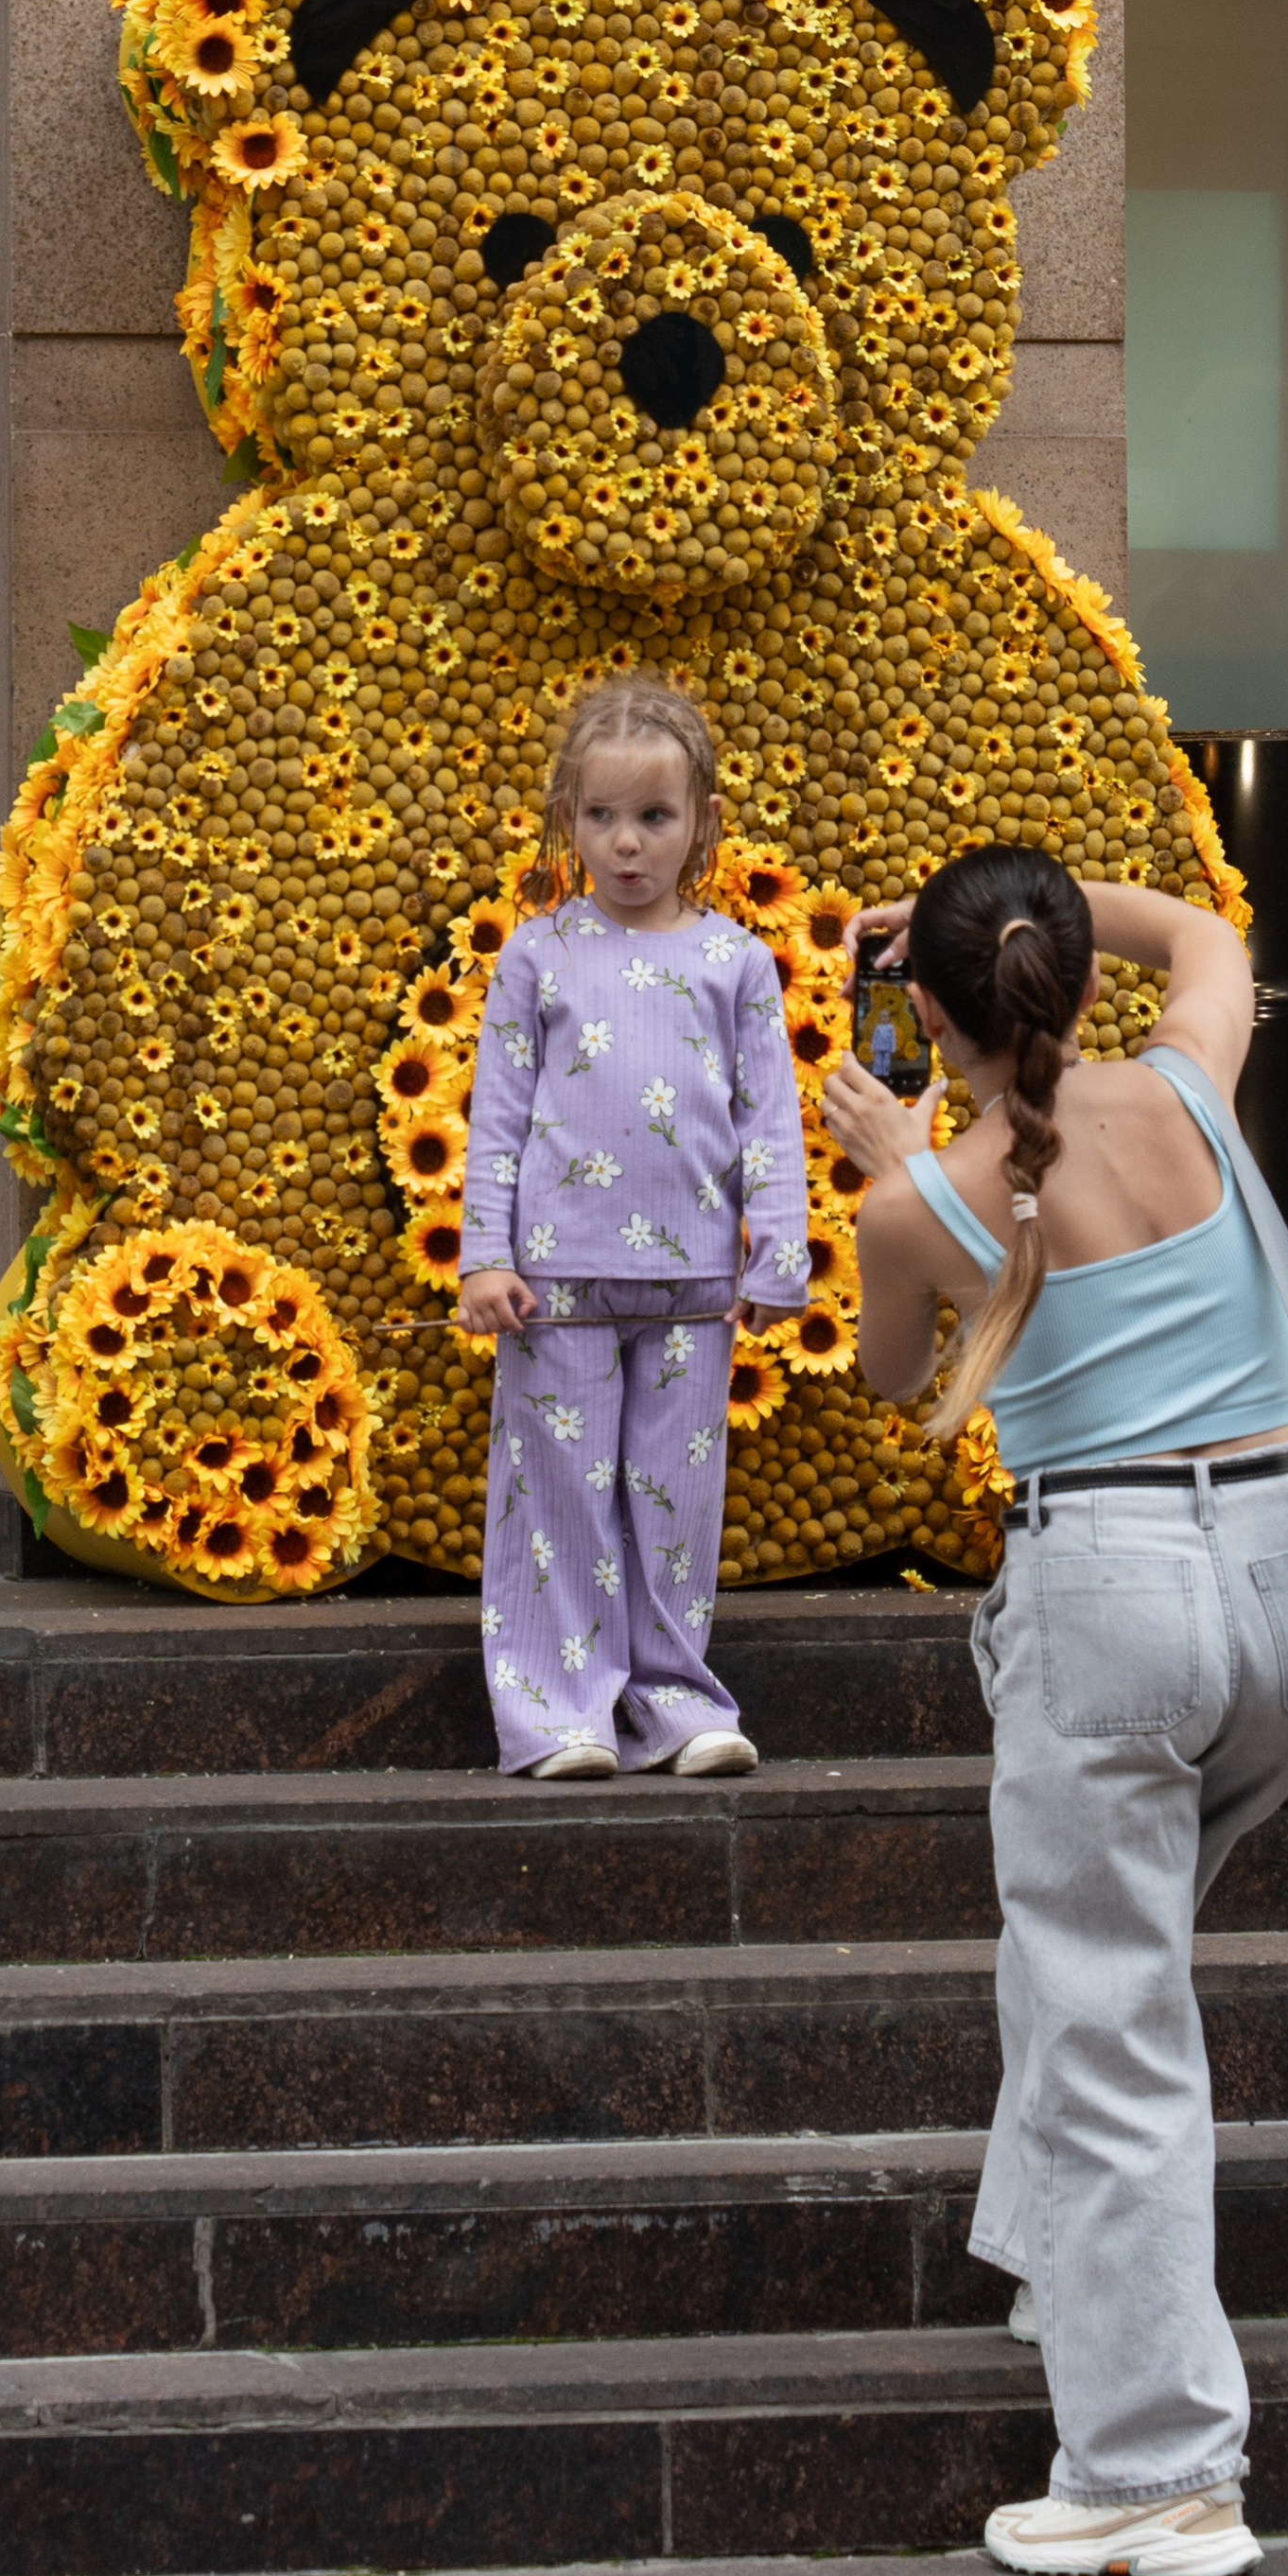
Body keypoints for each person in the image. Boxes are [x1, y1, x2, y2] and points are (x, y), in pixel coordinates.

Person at [823, 849, 1288, 2576]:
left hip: (1109, 1592)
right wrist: (1015, 902)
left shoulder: (929, 1198)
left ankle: (1156, 2470)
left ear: (928, 1015)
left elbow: (896, 1381)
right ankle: (1061, 2259)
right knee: (1098, 1969)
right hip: (1285, 1582)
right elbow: (1207, 932)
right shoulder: (1189, 1081)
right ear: (1066, 978)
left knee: (1111, 2024)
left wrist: (896, 1164)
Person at [456, 680, 809, 1781]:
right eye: (601, 817)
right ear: (568, 819)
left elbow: (770, 1117)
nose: (625, 843)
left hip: (695, 1289)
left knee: (675, 1499)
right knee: (553, 1497)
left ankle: (673, 1703)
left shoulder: (736, 962)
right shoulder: (536, 955)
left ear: (701, 820)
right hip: (553, 1285)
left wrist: (780, 1255)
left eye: (653, 818)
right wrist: (485, 1257)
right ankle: (557, 1715)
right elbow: (498, 1118)